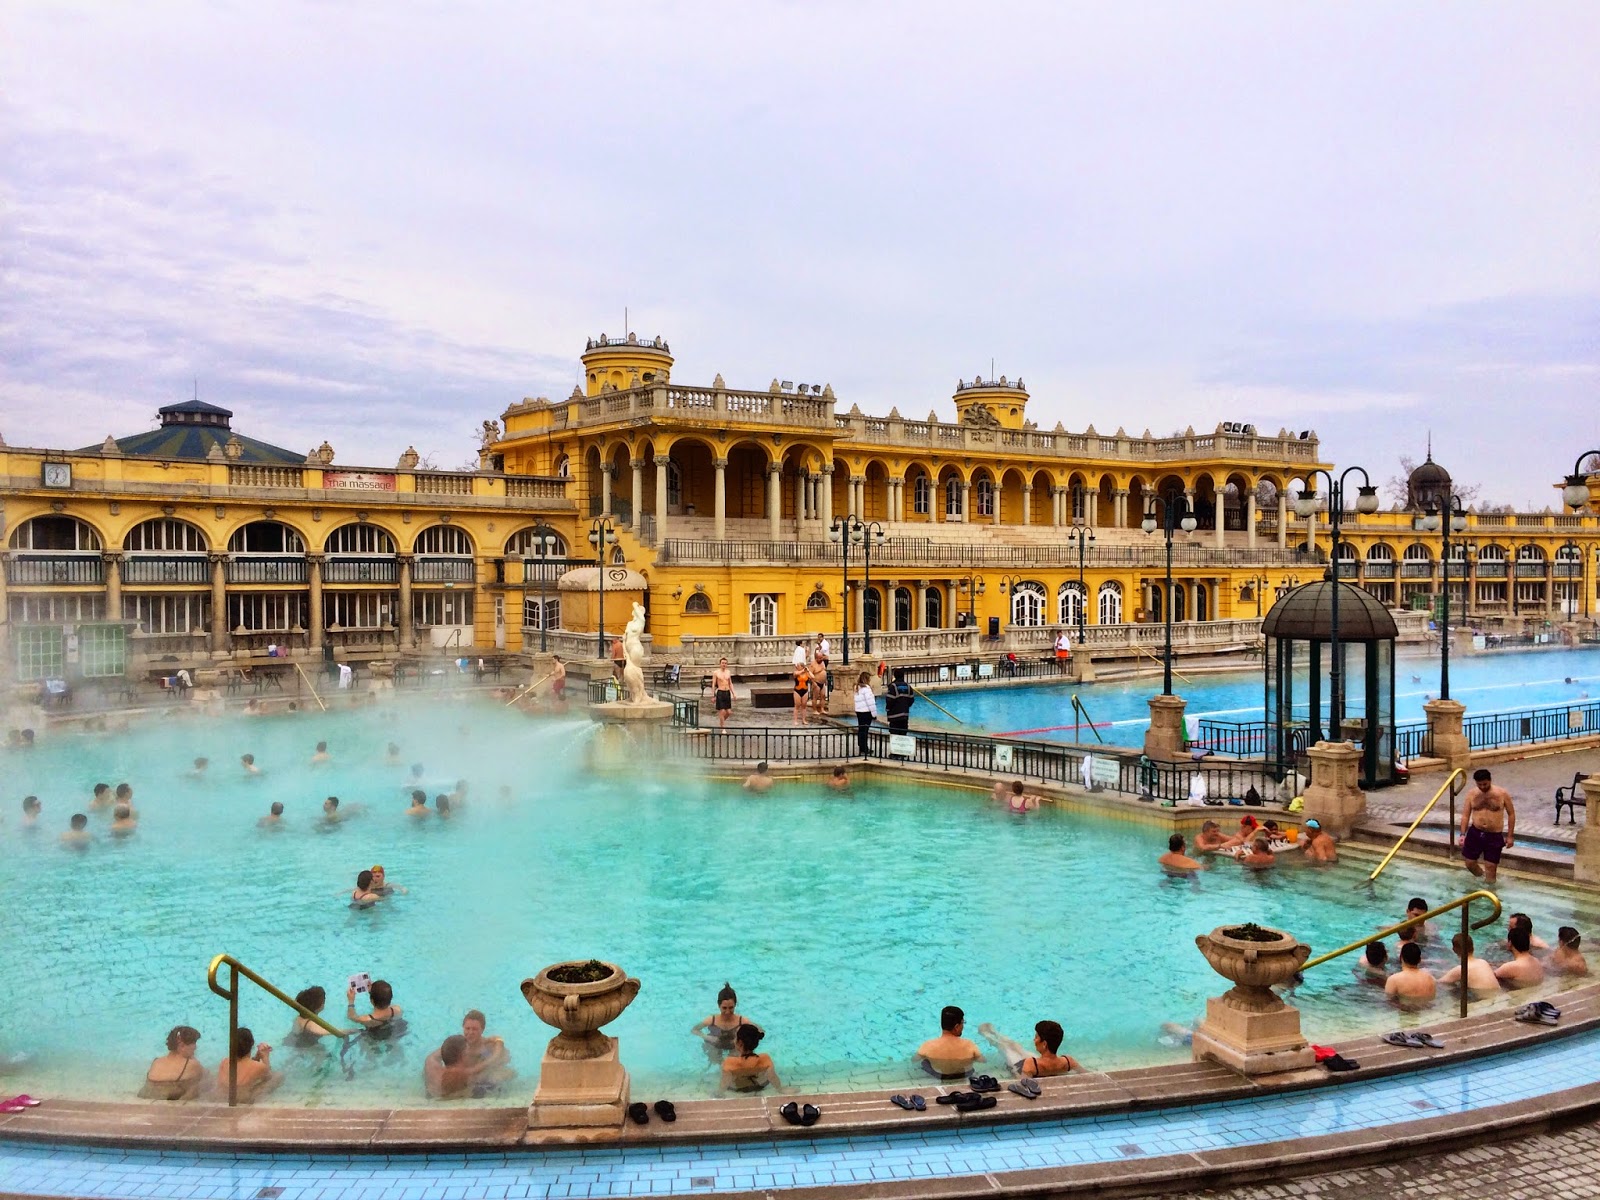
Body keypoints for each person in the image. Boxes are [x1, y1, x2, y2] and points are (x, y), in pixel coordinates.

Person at [1460, 767, 1515, 885]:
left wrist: (1510, 836)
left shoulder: (1502, 794)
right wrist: (1462, 834)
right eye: (1479, 785)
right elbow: (1465, 815)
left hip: (1494, 835)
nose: (1482, 787)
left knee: (1490, 867)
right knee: (1469, 863)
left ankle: (1490, 891)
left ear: (1490, 780)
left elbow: (1511, 814)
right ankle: (1481, 879)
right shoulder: (1472, 794)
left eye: (1485, 784)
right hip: (1475, 832)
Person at [977, 1019, 1082, 1077]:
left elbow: (1022, 1083)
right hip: (1036, 1061)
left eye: (1036, 1037)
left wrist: (1013, 1072)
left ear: (1044, 1044)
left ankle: (989, 1035)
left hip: (1023, 1064)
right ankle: (995, 1033)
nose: (1034, 1040)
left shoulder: (1030, 1064)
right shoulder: (1069, 1061)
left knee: (1005, 1047)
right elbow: (1091, 1076)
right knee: (1016, 1047)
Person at [914, 1005, 984, 1079]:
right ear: (956, 1027)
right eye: (963, 1023)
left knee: (924, 1062)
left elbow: (914, 1060)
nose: (963, 1026)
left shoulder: (928, 1045)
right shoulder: (969, 1044)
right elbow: (982, 1060)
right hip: (964, 1074)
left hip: (940, 1076)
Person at [692, 983, 760, 1056]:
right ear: (719, 1005)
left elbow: (759, 1031)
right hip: (715, 1045)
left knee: (734, 1061)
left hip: (735, 1047)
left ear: (735, 1005)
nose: (727, 1012)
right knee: (713, 1057)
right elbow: (694, 1030)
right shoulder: (712, 1020)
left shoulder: (742, 1021)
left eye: (731, 1008)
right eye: (724, 1008)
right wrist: (707, 1037)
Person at [141, 1025, 207, 1101]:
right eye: (194, 1043)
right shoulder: (191, 1064)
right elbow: (207, 1077)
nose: (195, 1047)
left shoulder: (157, 1061)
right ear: (182, 1046)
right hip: (171, 1094)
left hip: (147, 1093)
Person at [215, 1027, 277, 1101]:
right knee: (278, 1076)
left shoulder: (225, 1061)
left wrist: (257, 1057)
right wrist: (265, 1057)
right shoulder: (259, 1067)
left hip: (223, 1097)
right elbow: (268, 1076)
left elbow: (245, 1067)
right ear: (251, 1045)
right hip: (243, 1099)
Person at [459, 1009, 513, 1087]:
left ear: (482, 1030)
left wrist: (473, 1070)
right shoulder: (458, 1045)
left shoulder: (490, 1046)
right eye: (467, 1028)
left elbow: (502, 1060)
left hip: (488, 1076)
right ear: (463, 1028)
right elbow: (437, 1055)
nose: (470, 1033)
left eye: (474, 1029)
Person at [1438, 933, 1502, 998]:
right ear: (1473, 947)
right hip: (1498, 995)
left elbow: (1440, 982)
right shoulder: (1483, 962)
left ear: (1454, 950)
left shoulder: (1462, 969)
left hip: (1484, 998)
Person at [721, 1023, 781, 1092]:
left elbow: (724, 1083)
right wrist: (780, 1089)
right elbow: (772, 1077)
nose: (734, 1040)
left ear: (740, 1042)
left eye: (735, 1037)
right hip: (760, 1086)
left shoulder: (729, 1062)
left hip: (739, 1089)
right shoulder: (765, 1058)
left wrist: (719, 1092)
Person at [1385, 942, 1437, 1009]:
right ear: (1420, 960)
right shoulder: (1431, 978)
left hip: (1406, 1013)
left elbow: (1389, 1001)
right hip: (1427, 1011)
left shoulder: (1393, 979)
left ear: (1401, 958)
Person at [424, 1034, 473, 1099]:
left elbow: (431, 1057)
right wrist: (491, 1059)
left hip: (432, 1095)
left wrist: (456, 1043)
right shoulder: (460, 1074)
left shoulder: (431, 1067)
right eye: (468, 1050)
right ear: (462, 1055)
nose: (470, 1052)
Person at [852, 672, 876, 756]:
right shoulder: (866, 688)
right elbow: (870, 702)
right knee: (865, 730)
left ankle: (861, 746)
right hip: (866, 712)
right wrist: (874, 714)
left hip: (859, 711)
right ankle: (864, 747)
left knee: (861, 729)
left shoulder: (856, 688)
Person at [712, 658, 734, 730]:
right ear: (720, 664)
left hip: (727, 692)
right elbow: (714, 684)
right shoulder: (716, 673)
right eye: (722, 663)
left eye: (725, 663)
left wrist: (734, 693)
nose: (724, 664)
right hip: (720, 692)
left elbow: (730, 683)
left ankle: (721, 722)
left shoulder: (728, 672)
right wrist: (713, 696)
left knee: (729, 712)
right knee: (722, 711)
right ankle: (723, 728)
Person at [807, 653, 829, 719]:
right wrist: (813, 682)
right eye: (819, 658)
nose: (821, 659)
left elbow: (824, 670)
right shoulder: (812, 664)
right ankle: (814, 710)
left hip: (823, 682)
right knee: (815, 697)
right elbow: (809, 674)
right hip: (816, 682)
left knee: (823, 696)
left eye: (821, 658)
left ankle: (822, 709)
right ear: (816, 658)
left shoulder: (822, 663)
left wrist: (826, 680)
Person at [792, 657, 810, 726]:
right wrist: (802, 671)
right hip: (797, 690)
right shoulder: (796, 672)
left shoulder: (806, 673)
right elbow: (795, 674)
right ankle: (795, 720)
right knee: (797, 706)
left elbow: (812, 677)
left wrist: (808, 671)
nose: (797, 667)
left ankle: (804, 720)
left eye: (798, 666)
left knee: (804, 706)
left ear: (802, 667)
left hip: (805, 690)